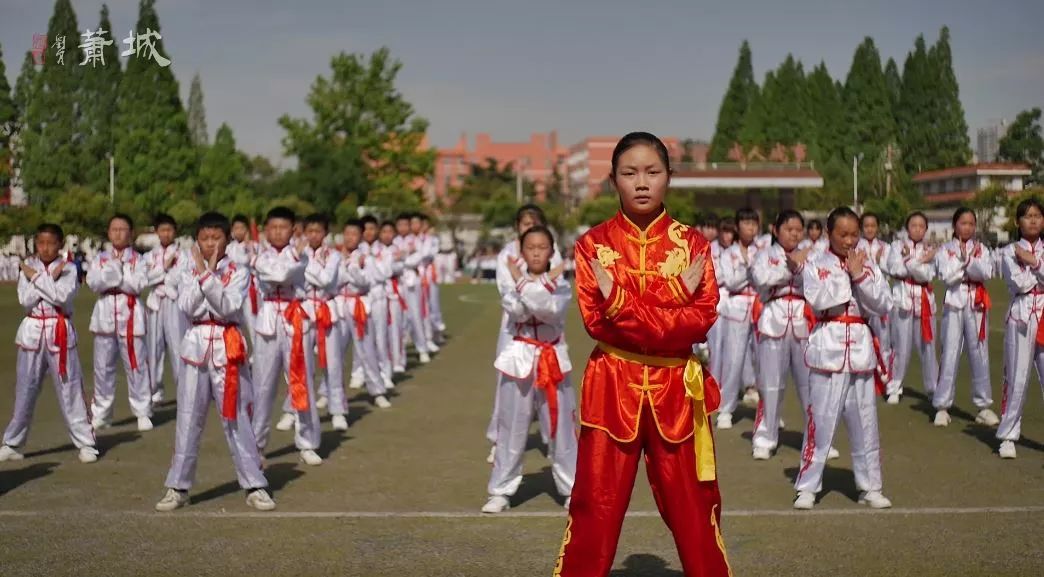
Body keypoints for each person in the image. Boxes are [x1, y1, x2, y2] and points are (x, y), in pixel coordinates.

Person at [553, 132, 730, 577]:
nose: (642, 182)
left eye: (652, 172)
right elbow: (597, 322)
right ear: (613, 180)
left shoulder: (693, 245)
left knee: (694, 503)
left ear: (669, 177)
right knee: (596, 502)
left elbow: (701, 319)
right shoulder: (593, 245)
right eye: (630, 173)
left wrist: (623, 301)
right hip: (611, 386)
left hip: (676, 388)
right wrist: (673, 292)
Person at [155, 212, 274, 512]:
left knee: (236, 417)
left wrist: (206, 275)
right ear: (197, 240)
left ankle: (254, 484)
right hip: (196, 346)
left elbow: (227, 306)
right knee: (188, 418)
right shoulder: (186, 271)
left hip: (227, 346)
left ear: (226, 239)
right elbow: (186, 306)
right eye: (205, 239)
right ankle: (178, 486)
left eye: (216, 238)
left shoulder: (238, 271)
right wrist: (200, 273)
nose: (210, 244)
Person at [794, 207, 893, 511]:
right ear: (829, 234)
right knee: (821, 421)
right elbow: (819, 299)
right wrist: (848, 277)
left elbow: (883, 303)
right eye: (843, 234)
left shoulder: (867, 264)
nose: (850, 240)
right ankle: (808, 485)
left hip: (860, 350)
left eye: (854, 234)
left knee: (865, 422)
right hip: (829, 347)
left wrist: (861, 276)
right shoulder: (814, 264)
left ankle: (870, 486)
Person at [483, 225, 576, 513]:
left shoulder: (561, 284)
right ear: (522, 251)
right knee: (511, 425)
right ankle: (501, 490)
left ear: (551, 250)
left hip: (553, 358)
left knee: (561, 426)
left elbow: (550, 311)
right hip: (518, 357)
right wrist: (534, 286)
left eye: (542, 247)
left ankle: (572, 487)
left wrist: (525, 284)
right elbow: (517, 310)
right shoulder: (516, 281)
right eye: (530, 248)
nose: (536, 252)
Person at [0, 224, 98, 464]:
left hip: (59, 329)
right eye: (41, 243)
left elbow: (61, 297)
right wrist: (44, 280)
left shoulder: (69, 269)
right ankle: (13, 442)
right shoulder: (29, 266)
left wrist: (35, 277)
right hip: (32, 330)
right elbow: (25, 299)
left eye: (51, 243)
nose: (45, 248)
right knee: (25, 389)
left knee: (70, 389)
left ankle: (86, 442)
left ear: (60, 244)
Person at [485, 204, 560, 463]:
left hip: (546, 330)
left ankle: (553, 440)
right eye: (525, 224)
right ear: (517, 227)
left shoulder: (553, 252)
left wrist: (529, 290)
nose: (529, 228)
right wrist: (534, 293)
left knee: (549, 383)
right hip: (515, 328)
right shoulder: (507, 255)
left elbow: (555, 287)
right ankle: (499, 439)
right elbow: (507, 290)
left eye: (534, 223)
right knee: (506, 384)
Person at [250, 207, 323, 467]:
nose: (278, 232)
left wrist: (293, 259)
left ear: (293, 230)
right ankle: (256, 445)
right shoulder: (259, 254)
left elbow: (290, 275)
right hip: (268, 318)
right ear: (266, 229)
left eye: (283, 228)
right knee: (262, 386)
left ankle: (307, 442)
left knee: (301, 381)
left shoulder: (304, 256)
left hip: (295, 318)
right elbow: (278, 275)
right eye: (273, 227)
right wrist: (293, 256)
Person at [276, 214, 350, 432]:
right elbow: (292, 278)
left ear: (325, 233)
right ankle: (292, 410)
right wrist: (300, 263)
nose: (314, 235)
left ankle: (337, 410)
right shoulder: (295, 254)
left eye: (318, 231)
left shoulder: (334, 256)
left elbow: (327, 280)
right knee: (300, 364)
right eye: (310, 231)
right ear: (303, 232)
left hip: (327, 310)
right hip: (305, 310)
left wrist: (304, 267)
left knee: (333, 362)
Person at [749, 210, 814, 460]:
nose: (795, 234)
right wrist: (792, 269)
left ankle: (817, 439)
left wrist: (801, 267)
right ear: (776, 230)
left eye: (799, 229)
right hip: (773, 317)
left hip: (802, 319)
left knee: (810, 384)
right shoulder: (764, 255)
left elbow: (818, 282)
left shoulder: (812, 255)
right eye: (789, 229)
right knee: (770, 383)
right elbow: (761, 279)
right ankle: (765, 437)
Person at [87, 214, 153, 432]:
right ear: (108, 232)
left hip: (131, 316)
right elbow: (94, 283)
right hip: (105, 317)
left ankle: (142, 411)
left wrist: (113, 279)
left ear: (130, 233)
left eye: (122, 229)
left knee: (136, 365)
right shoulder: (99, 259)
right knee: (102, 368)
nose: (117, 233)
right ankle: (101, 413)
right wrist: (120, 274)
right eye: (114, 229)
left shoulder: (139, 259)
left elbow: (138, 284)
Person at [932, 208, 998, 427]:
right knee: (950, 352)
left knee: (979, 353)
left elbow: (986, 273)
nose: (967, 227)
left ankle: (984, 405)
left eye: (971, 224)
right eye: (963, 223)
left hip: (977, 304)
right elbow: (947, 277)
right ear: (954, 225)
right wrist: (965, 263)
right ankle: (942, 406)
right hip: (954, 303)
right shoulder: (945, 250)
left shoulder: (982, 249)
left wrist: (967, 261)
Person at [996, 198, 1044, 459]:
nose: (1033, 220)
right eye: (1027, 216)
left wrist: (1034, 263)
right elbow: (1020, 283)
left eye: (1038, 215)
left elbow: (1033, 275)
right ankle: (1007, 435)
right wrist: (1036, 272)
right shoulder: (1008, 251)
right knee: (1017, 377)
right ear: (1018, 222)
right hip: (1022, 316)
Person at [335, 219, 392, 409]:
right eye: (347, 233)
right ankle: (329, 393)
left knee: (367, 350)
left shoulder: (367, 258)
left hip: (359, 305)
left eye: (354, 234)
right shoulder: (335, 256)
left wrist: (352, 267)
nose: (350, 237)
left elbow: (366, 282)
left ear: (360, 237)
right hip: (338, 306)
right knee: (335, 353)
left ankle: (377, 391)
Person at [883, 212, 939, 404]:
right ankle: (894, 386)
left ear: (926, 228)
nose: (917, 229)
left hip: (924, 302)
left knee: (928, 347)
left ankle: (933, 389)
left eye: (921, 226)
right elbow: (895, 269)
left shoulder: (930, 249)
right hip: (903, 300)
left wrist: (912, 262)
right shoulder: (896, 246)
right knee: (900, 346)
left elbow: (927, 275)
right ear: (907, 228)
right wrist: (918, 263)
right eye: (913, 225)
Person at [716, 207, 762, 429]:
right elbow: (731, 281)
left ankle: (767, 413)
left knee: (765, 362)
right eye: (745, 223)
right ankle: (726, 409)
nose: (750, 227)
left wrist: (750, 271)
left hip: (761, 308)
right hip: (736, 308)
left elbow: (767, 279)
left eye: (753, 223)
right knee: (734, 360)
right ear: (737, 226)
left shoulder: (763, 250)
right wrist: (751, 270)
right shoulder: (728, 253)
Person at [144, 213, 188, 404]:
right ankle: (154, 390)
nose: (166, 234)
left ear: (175, 232)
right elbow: (146, 278)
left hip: (173, 301)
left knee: (178, 346)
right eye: (162, 230)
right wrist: (163, 268)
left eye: (169, 230)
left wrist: (161, 275)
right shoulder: (149, 255)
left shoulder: (183, 255)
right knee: (153, 347)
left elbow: (179, 278)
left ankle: (184, 390)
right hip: (155, 301)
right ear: (156, 232)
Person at [856, 213, 894, 400]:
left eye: (873, 226)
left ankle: (887, 381)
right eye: (866, 226)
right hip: (863, 299)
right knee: (865, 341)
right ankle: (866, 380)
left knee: (884, 342)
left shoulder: (885, 248)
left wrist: (879, 261)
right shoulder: (856, 247)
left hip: (880, 297)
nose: (869, 229)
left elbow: (892, 269)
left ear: (877, 227)